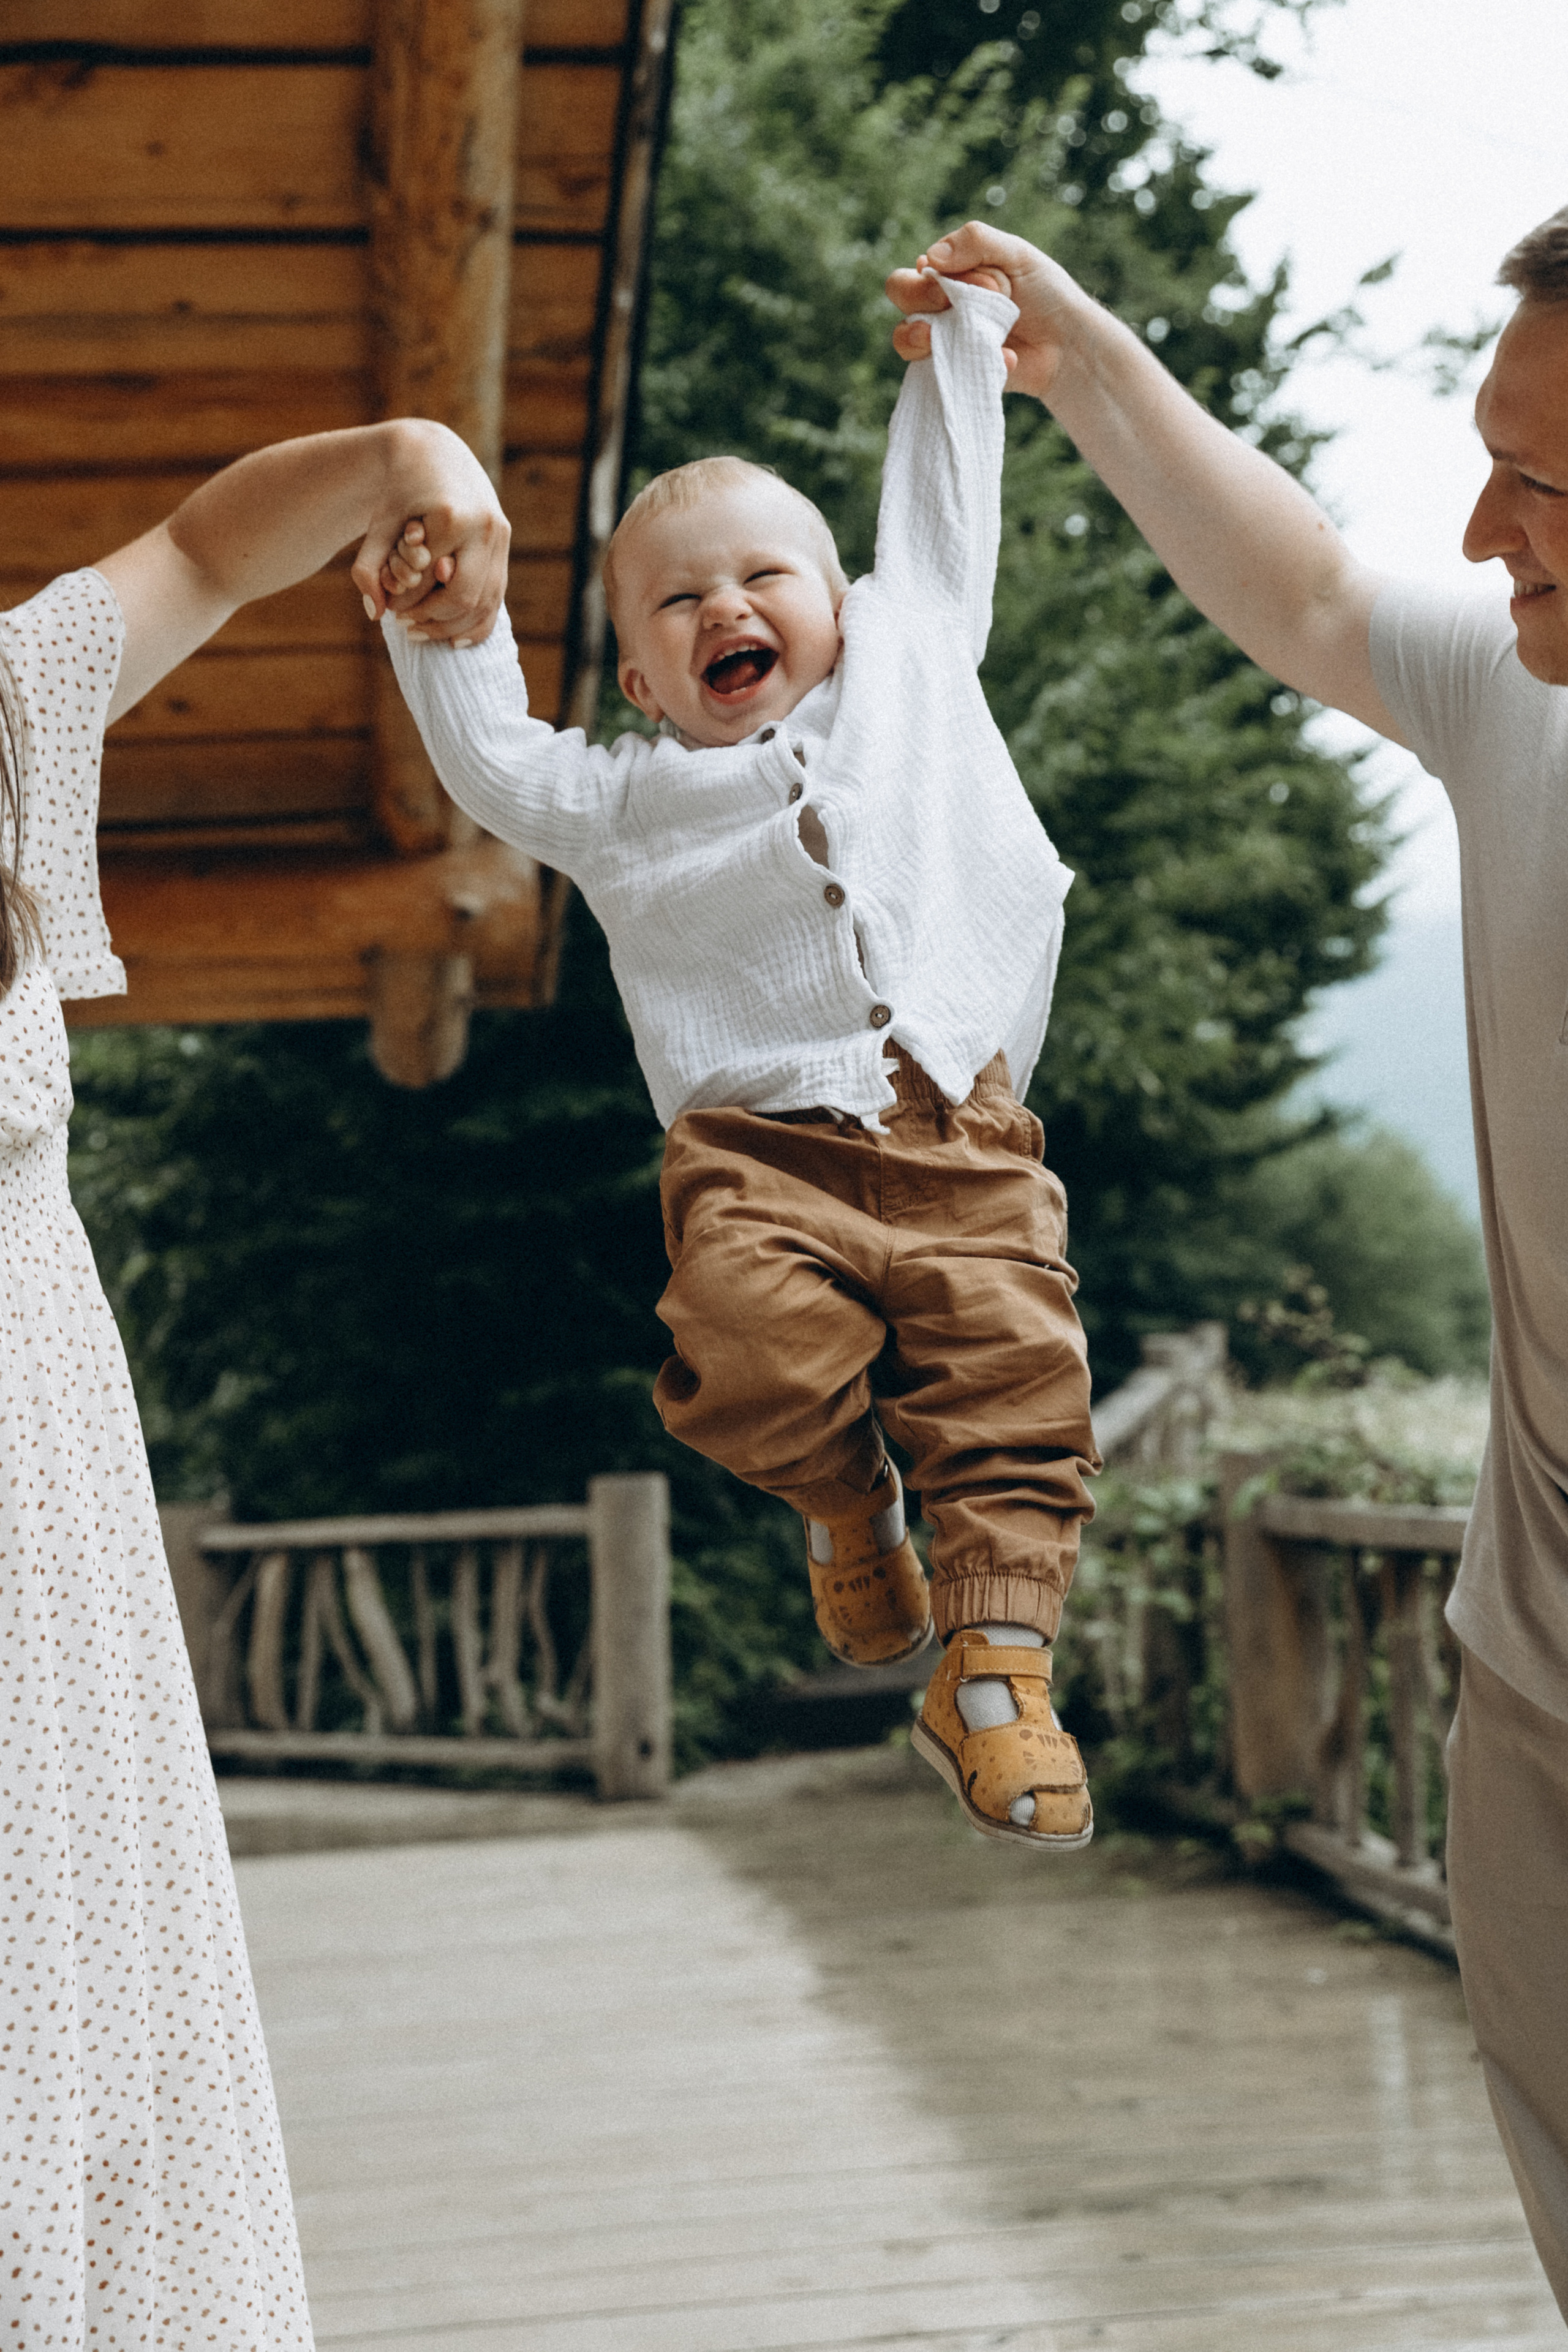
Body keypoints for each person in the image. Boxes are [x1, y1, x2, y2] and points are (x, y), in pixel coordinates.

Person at [884, 206, 1568, 2314]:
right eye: (1489, 451)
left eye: (1543, 478)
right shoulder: (1522, 703)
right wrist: (1074, 354)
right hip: (1528, 1693)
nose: (1483, 520)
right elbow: (1310, 589)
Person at [377, 269, 1100, 1851]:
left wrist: (959, 350)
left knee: (1016, 1386)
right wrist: (454, 624)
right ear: (640, 682)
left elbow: (944, 510)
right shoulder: (627, 804)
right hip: (762, 1156)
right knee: (747, 1346)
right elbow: (497, 760)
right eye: (680, 603)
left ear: (840, 610)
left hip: (964, 1134)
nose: (728, 609)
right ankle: (848, 1509)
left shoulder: (912, 669)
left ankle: (990, 1679)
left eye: (766, 575)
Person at [0, 419, 505, 2343]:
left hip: (37, 1527)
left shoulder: (1, 705)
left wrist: (415, 456)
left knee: (80, 2065)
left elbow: (211, 550)